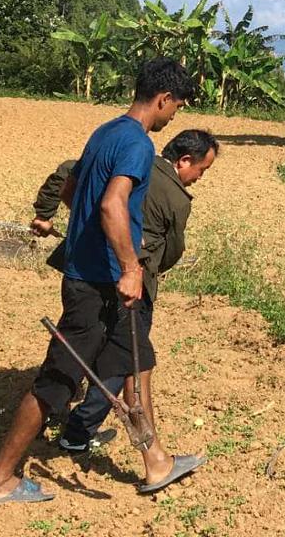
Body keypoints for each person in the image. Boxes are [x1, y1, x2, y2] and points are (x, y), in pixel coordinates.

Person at [0, 58, 208, 506]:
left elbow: (72, 187)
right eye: (176, 106)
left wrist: (68, 226)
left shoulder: (105, 132)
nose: (174, 115)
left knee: (138, 360)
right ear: (163, 99)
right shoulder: (137, 143)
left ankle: (156, 461)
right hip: (98, 284)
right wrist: (130, 267)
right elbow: (112, 206)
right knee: (58, 380)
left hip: (95, 276)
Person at [29, 127, 220, 453]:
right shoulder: (175, 197)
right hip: (132, 283)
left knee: (74, 347)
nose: (200, 177)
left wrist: (47, 214)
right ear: (184, 161)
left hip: (89, 271)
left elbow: (66, 172)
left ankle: (43, 417)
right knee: (124, 361)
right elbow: (172, 251)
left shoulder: (131, 161)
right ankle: (78, 431)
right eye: (202, 170)